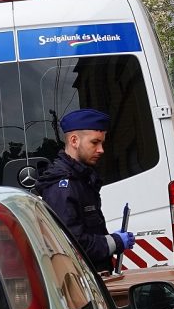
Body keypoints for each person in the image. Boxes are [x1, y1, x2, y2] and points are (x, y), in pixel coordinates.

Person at [34, 109, 135, 273]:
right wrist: (115, 242)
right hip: (81, 281)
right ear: (74, 140)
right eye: (95, 142)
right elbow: (73, 245)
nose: (101, 149)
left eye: (102, 143)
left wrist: (109, 239)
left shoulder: (81, 178)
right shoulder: (62, 186)